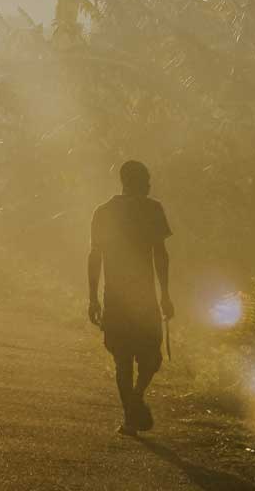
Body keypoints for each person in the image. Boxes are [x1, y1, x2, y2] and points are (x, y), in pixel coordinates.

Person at [87, 160, 174, 435]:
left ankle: (132, 407)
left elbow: (95, 257)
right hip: (142, 297)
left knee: (123, 360)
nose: (149, 185)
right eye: (146, 180)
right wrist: (165, 294)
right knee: (149, 358)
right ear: (133, 181)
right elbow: (160, 254)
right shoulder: (151, 209)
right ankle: (133, 407)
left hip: (115, 297)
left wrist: (93, 297)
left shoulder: (104, 212)